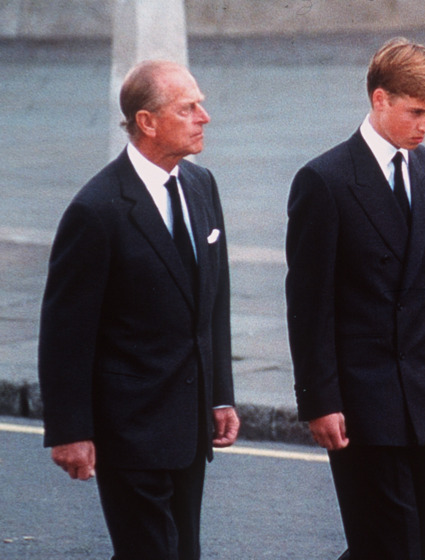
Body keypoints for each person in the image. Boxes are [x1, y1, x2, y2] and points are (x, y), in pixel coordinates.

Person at [37, 59, 239, 559]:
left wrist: (219, 395)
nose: (204, 117)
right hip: (130, 428)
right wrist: (70, 432)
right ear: (147, 122)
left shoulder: (200, 185)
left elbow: (213, 302)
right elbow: (65, 333)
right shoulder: (96, 209)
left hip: (189, 425)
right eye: (188, 107)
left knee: (180, 552)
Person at [285, 38, 425, 560]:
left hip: (423, 391)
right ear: (379, 99)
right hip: (361, 399)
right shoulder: (325, 180)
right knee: (391, 541)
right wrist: (321, 400)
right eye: (417, 112)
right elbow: (308, 305)